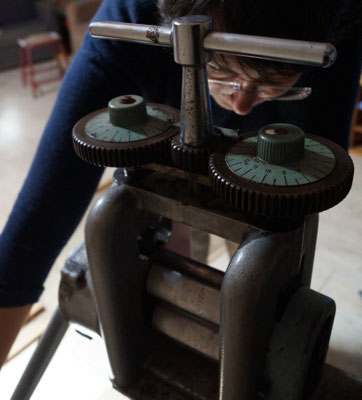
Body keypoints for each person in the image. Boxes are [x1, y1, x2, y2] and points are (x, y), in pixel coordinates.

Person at [0, 0, 361, 368]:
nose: (240, 103)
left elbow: (312, 173)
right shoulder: (127, 22)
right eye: (219, 68)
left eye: (271, 82)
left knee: (257, 266)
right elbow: (34, 228)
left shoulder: (338, 24)